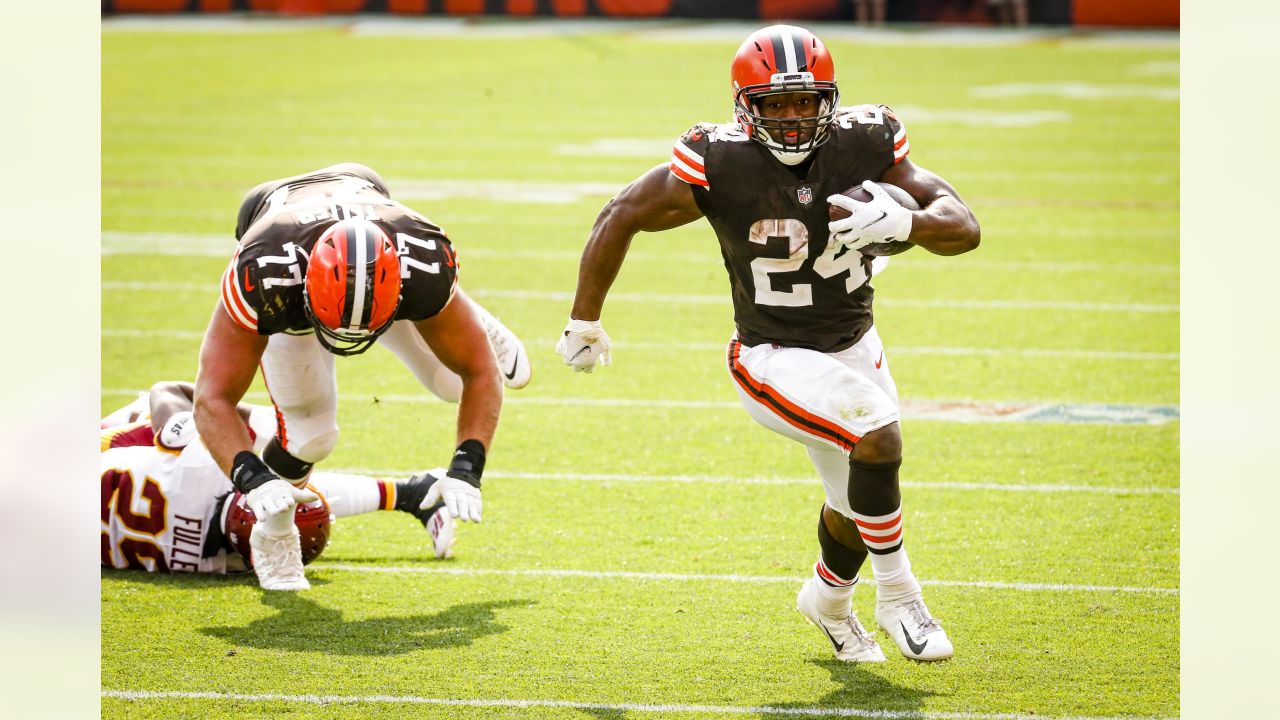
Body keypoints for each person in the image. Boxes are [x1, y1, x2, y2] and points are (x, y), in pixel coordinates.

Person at [555, 25, 979, 662]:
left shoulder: (868, 141)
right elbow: (622, 213)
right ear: (744, 106)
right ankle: (900, 597)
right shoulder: (719, 159)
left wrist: (907, 224)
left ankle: (828, 601)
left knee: (858, 500)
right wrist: (583, 320)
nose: (789, 118)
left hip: (854, 344)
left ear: (827, 100)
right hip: (771, 356)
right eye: (773, 104)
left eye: (803, 101)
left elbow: (965, 227)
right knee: (878, 435)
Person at [194, 163, 527, 590]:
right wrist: (252, 479)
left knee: (454, 382)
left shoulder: (422, 260)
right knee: (311, 436)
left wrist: (467, 467)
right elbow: (212, 397)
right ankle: (273, 536)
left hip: (375, 220)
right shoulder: (265, 273)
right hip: (279, 239)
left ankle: (456, 310)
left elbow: (480, 373)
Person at [101, 381, 459, 578]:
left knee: (203, 435)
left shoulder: (201, 476)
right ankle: (411, 492)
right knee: (279, 462)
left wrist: (177, 427)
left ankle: (411, 492)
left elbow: (163, 391)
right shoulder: (214, 563)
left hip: (108, 447)